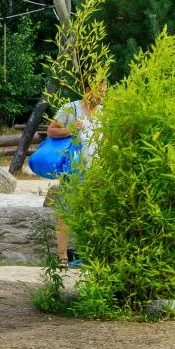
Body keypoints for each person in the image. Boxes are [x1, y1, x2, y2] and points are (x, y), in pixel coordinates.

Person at [43, 82, 104, 264]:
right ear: (87, 90)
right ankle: (62, 256)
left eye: (104, 91)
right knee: (67, 212)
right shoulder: (70, 108)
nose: (103, 95)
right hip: (73, 171)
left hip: (96, 171)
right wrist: (70, 129)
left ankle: (90, 255)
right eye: (100, 91)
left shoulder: (102, 112)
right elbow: (50, 131)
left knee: (94, 214)